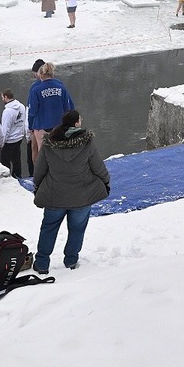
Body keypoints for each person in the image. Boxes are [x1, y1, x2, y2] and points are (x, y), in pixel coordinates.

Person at [32, 109, 110, 273]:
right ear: (76, 123)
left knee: (48, 228)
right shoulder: (86, 143)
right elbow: (98, 167)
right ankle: (71, 261)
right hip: (81, 197)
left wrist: (38, 187)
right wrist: (105, 181)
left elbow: (39, 170)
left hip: (54, 197)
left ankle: (42, 263)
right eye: (80, 120)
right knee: (77, 229)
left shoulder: (49, 143)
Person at [27, 61, 75, 169]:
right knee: (59, 151)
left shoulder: (35, 89)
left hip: (41, 126)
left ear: (41, 74)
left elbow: (32, 110)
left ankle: (42, 176)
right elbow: (69, 107)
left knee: (42, 153)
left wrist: (30, 126)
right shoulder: (61, 87)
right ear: (52, 74)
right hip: (58, 125)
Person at [0, 88, 28, 178]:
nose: (2, 99)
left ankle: (7, 179)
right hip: (19, 138)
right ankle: (18, 177)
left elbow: (5, 129)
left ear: (6, 97)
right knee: (17, 161)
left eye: (2, 97)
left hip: (9, 141)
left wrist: (1, 143)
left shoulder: (7, 111)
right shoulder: (22, 107)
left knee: (5, 163)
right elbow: (23, 122)